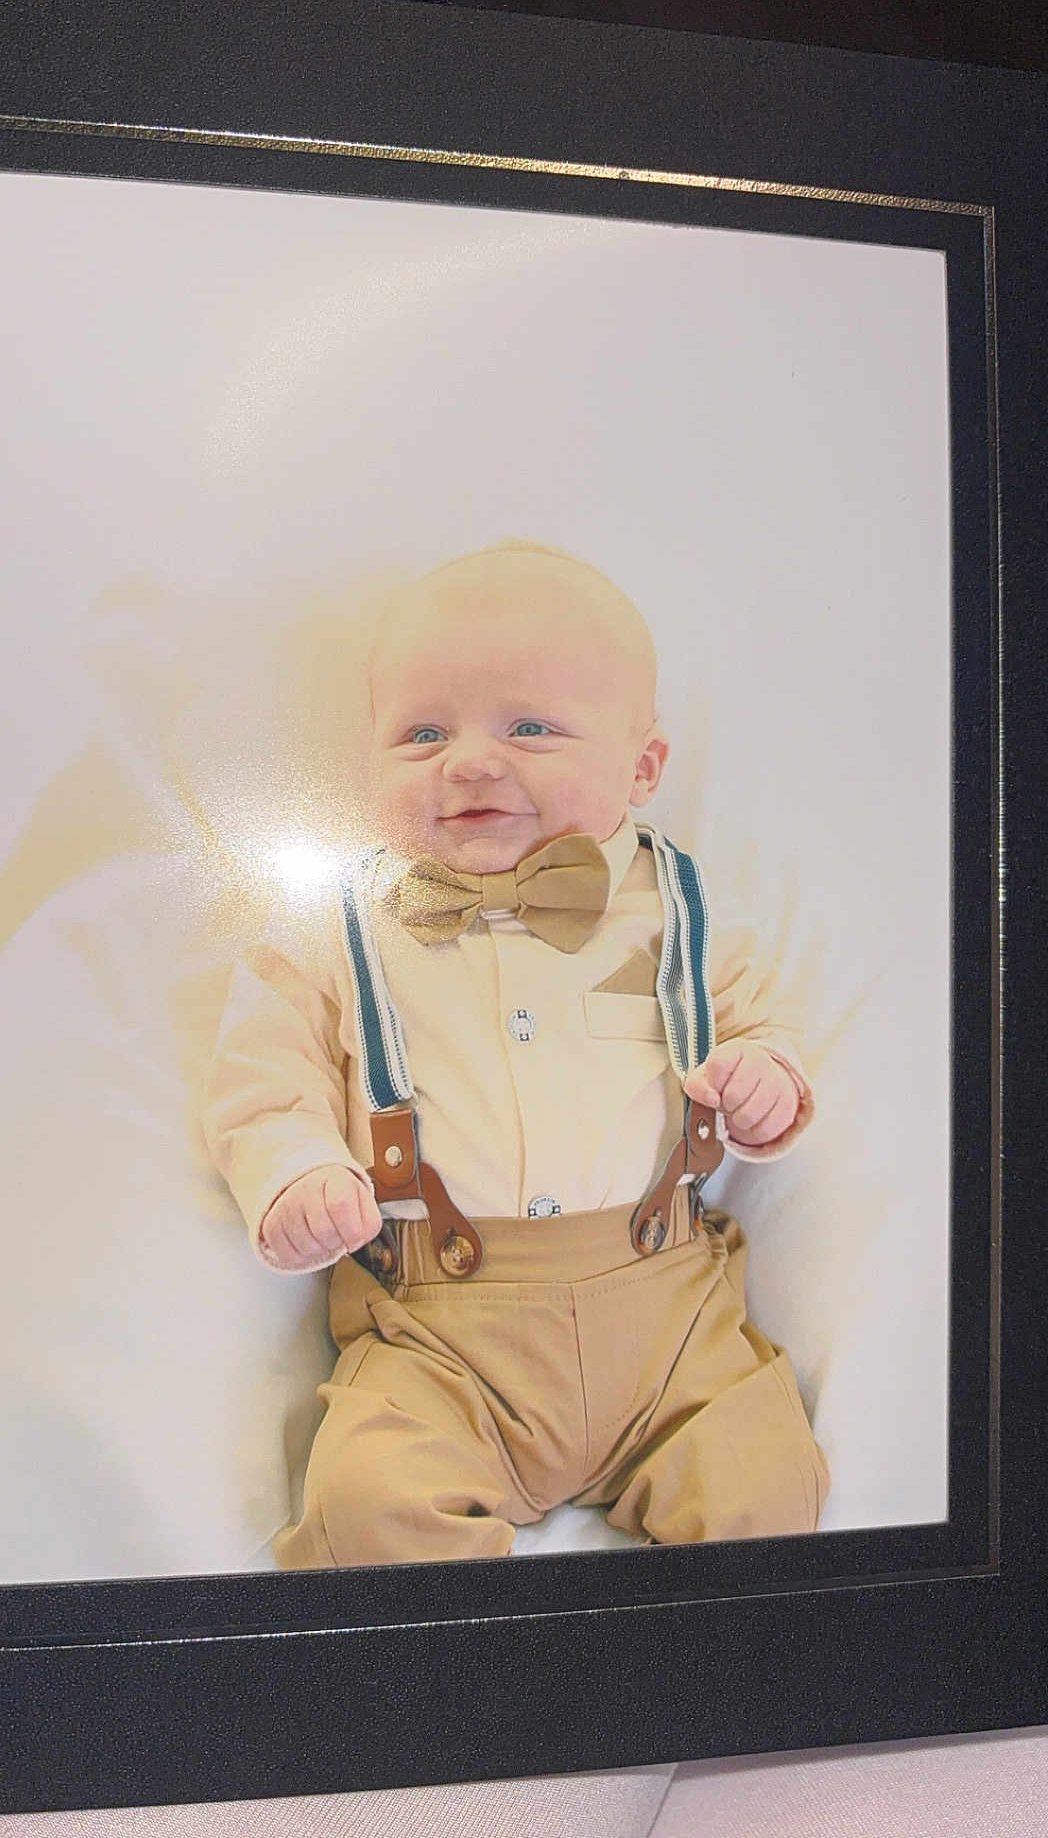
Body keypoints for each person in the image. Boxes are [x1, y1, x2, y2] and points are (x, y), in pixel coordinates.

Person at [202, 541, 829, 1565]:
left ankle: (692, 1705)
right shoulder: (339, 923)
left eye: (529, 726)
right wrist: (297, 1170)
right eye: (422, 733)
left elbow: (754, 1017)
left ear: (642, 767)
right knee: (363, 1504)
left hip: (670, 1324)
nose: (472, 760)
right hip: (437, 1336)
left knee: (766, 1488)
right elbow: (264, 1073)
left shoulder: (678, 907)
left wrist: (766, 1079)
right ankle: (484, 1711)